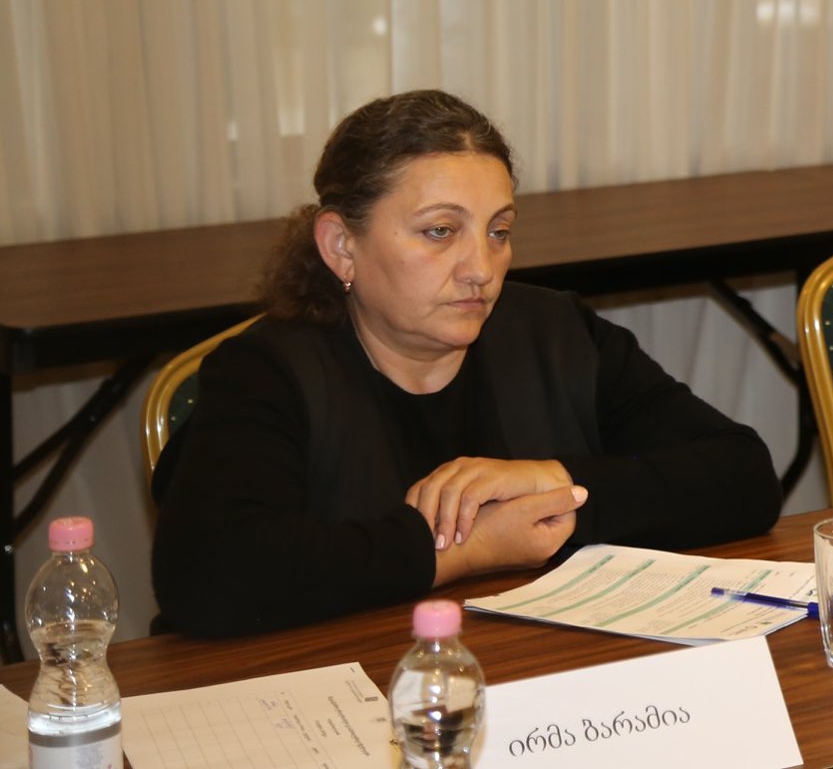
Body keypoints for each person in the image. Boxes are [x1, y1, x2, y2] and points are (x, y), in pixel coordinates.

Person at [152, 90, 782, 637]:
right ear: (342, 246)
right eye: (439, 231)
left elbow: (744, 475)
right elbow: (211, 575)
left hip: (533, 677)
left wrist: (551, 481)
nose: (481, 268)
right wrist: (468, 549)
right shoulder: (267, 371)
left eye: (498, 231)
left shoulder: (555, 334)